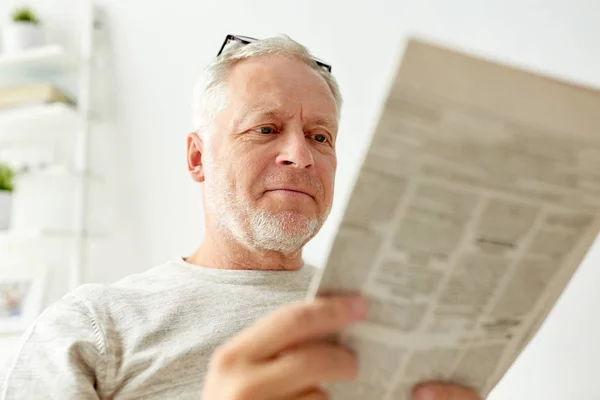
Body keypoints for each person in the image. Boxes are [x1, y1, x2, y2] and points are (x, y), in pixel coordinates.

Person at [0, 34, 480, 400]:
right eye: (265, 129)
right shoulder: (92, 328)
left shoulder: (396, 324)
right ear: (197, 158)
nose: (301, 156)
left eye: (320, 137)